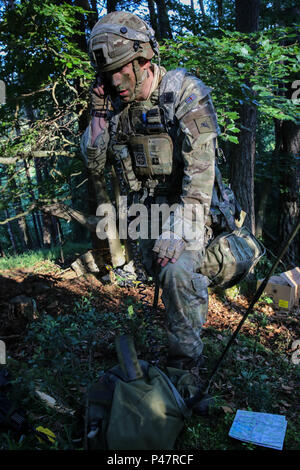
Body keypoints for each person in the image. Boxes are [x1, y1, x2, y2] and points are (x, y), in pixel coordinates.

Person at [80, 11, 220, 372]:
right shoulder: (113, 105)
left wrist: (179, 229)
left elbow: (201, 175)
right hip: (147, 213)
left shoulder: (185, 92)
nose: (115, 82)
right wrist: (98, 115)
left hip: (193, 206)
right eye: (107, 75)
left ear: (143, 59)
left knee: (177, 271)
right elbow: (94, 164)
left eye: (121, 70)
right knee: (160, 269)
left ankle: (184, 369)